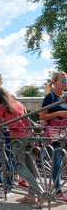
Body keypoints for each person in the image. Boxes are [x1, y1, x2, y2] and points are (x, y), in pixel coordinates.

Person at [0, 86, 42, 207]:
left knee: (19, 166)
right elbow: (27, 119)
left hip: (16, 138)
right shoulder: (18, 103)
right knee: (30, 166)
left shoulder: (1, 106)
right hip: (28, 136)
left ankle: (39, 193)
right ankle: (31, 196)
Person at [39, 71, 67, 201]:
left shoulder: (65, 96)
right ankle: (58, 191)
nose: (65, 83)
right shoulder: (50, 97)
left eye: (66, 80)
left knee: (61, 162)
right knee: (57, 162)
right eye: (63, 80)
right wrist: (59, 113)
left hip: (65, 130)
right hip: (55, 132)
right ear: (55, 83)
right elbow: (42, 115)